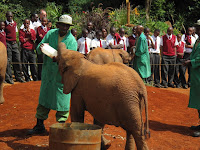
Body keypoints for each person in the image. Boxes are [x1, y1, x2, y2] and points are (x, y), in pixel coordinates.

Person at [27, 14, 77, 135]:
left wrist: (59, 59)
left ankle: (60, 128)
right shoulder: (50, 34)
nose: (64, 27)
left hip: (62, 76)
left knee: (63, 101)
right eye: (62, 25)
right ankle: (39, 126)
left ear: (69, 27)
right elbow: (39, 47)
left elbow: (71, 60)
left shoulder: (72, 41)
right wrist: (42, 47)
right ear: (58, 25)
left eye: (67, 26)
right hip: (48, 74)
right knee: (44, 98)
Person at [184, 20, 200, 137]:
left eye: (199, 28)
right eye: (197, 28)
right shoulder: (198, 40)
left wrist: (191, 62)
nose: (197, 30)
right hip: (196, 76)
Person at [4, 11, 25, 84]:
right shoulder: (4, 24)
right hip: (8, 43)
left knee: (17, 60)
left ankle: (18, 77)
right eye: (8, 16)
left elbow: (15, 33)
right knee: (9, 61)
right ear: (6, 16)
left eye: (11, 16)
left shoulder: (14, 23)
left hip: (14, 43)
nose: (10, 18)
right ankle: (9, 78)